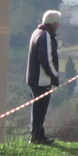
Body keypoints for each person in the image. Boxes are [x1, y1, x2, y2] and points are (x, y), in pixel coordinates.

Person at [26, 10, 62, 145]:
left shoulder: (37, 32)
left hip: (34, 78)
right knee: (40, 109)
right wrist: (54, 75)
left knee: (37, 109)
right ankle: (38, 136)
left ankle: (36, 135)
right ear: (54, 23)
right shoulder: (45, 35)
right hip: (42, 79)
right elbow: (46, 59)